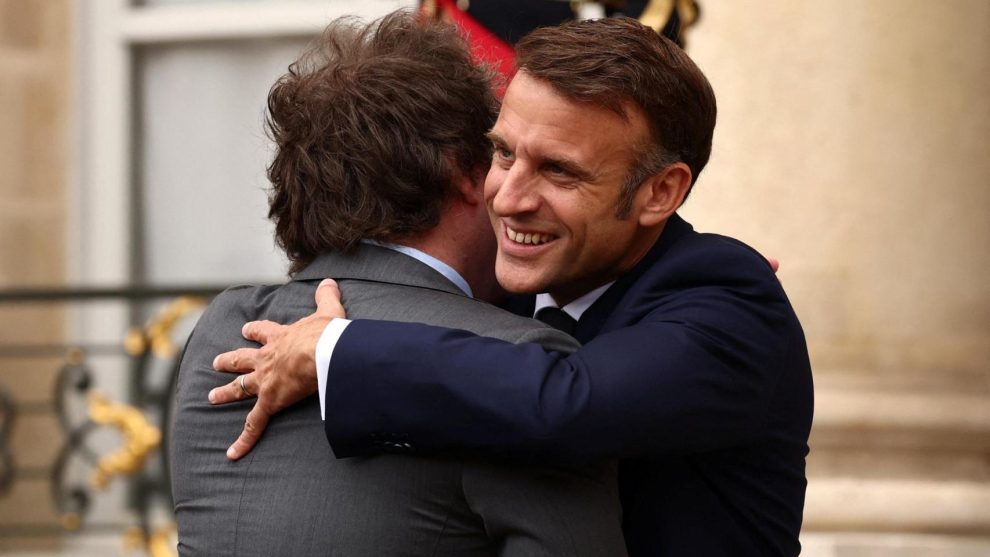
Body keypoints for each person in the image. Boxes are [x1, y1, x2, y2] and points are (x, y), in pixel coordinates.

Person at [212, 16, 813, 557]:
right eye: (502, 153)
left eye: (558, 170)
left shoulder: (730, 301)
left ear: (660, 192)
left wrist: (335, 352)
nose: (509, 196)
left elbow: (565, 404)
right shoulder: (512, 290)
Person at [171, 12, 627, 557]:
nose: (513, 188)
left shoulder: (227, 327)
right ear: (465, 172)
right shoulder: (517, 363)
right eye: (502, 155)